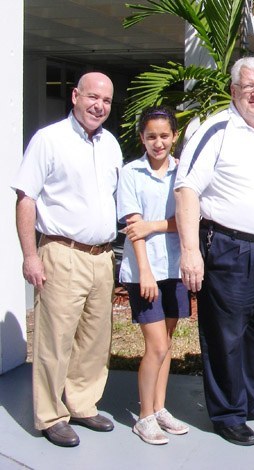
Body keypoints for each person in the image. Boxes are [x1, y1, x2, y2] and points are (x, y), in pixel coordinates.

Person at [173, 57, 254, 446]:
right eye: (249, 87)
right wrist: (191, 251)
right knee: (225, 336)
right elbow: (186, 189)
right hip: (232, 251)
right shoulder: (216, 130)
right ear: (234, 91)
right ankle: (228, 412)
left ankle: (252, 399)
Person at [13, 72, 122, 447]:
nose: (99, 106)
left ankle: (81, 403)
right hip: (61, 253)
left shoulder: (111, 144)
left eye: (106, 101)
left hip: (101, 257)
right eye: (93, 97)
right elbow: (26, 198)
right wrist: (30, 255)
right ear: (75, 96)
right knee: (54, 340)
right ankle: (50, 415)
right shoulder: (49, 140)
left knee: (94, 339)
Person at [117, 106, 190, 445]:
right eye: (151, 137)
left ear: (174, 136)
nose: (158, 143)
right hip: (144, 272)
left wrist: (156, 224)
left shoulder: (184, 173)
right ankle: (144, 416)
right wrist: (144, 273)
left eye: (164, 136)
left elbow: (190, 220)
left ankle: (160, 408)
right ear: (141, 139)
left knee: (168, 344)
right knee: (156, 345)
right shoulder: (131, 172)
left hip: (174, 268)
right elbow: (134, 228)